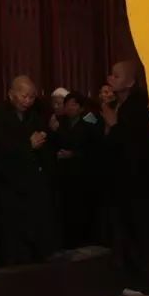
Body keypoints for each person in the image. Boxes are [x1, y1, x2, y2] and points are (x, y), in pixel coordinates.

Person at [102, 60, 149, 296]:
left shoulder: (137, 107)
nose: (111, 79)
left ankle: (146, 281)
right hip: (124, 181)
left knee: (142, 231)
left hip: (140, 181)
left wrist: (114, 125)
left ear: (130, 81)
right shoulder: (120, 105)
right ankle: (131, 276)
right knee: (127, 230)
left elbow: (137, 145)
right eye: (111, 75)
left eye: (117, 76)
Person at [0, 76, 57, 265]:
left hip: (33, 187)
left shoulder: (36, 116)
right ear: (11, 94)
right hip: (9, 189)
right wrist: (27, 145)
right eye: (24, 96)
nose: (27, 101)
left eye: (32, 97)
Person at [52, 91, 98, 248]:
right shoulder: (60, 122)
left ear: (80, 107)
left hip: (82, 174)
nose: (69, 107)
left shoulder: (90, 121)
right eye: (67, 104)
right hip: (64, 174)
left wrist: (74, 154)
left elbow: (94, 148)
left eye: (73, 104)